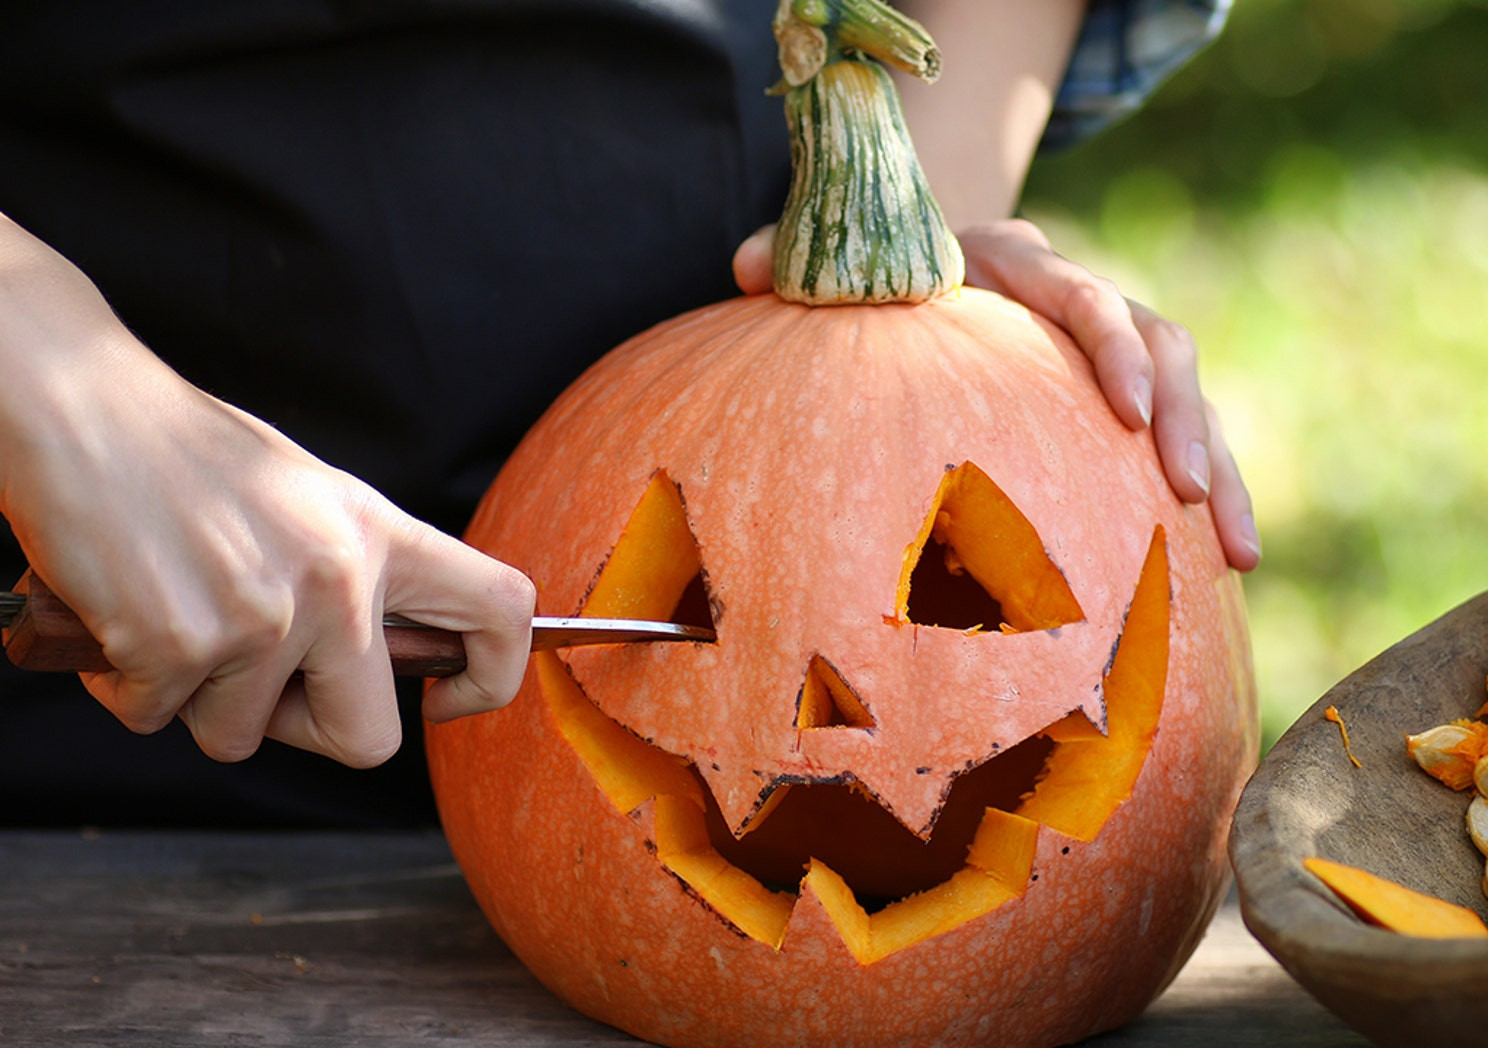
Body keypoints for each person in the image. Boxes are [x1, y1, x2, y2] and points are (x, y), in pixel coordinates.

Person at [0, 0, 1256, 826]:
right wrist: (52, 373)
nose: (839, 699)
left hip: (703, 342)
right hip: (72, 694)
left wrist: (911, 228)